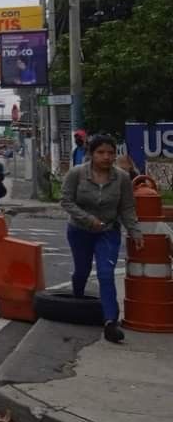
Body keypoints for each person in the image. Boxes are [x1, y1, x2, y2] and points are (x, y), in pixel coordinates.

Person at [60, 134, 144, 343]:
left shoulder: (122, 177)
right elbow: (66, 201)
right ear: (91, 154)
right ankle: (77, 298)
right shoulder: (77, 174)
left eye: (110, 153)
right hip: (79, 230)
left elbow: (127, 207)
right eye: (101, 152)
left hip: (108, 231)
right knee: (82, 270)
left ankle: (110, 322)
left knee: (106, 274)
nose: (106, 157)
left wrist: (135, 231)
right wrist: (88, 220)